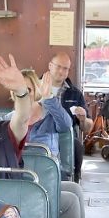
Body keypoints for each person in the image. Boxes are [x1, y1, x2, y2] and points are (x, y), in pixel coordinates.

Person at [7, 69, 109, 218]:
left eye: (29, 89)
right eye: (20, 90)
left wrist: (49, 100)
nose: (25, 94)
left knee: (74, 189)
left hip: (44, 181)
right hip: (20, 184)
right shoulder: (6, 122)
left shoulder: (50, 117)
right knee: (70, 199)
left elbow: (66, 125)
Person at [43, 52, 86, 181]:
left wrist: (83, 119)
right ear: (50, 65)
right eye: (58, 67)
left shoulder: (75, 94)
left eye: (65, 68)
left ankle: (73, 178)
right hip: (42, 132)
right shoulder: (35, 87)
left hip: (67, 135)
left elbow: (87, 127)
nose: (61, 71)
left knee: (77, 146)